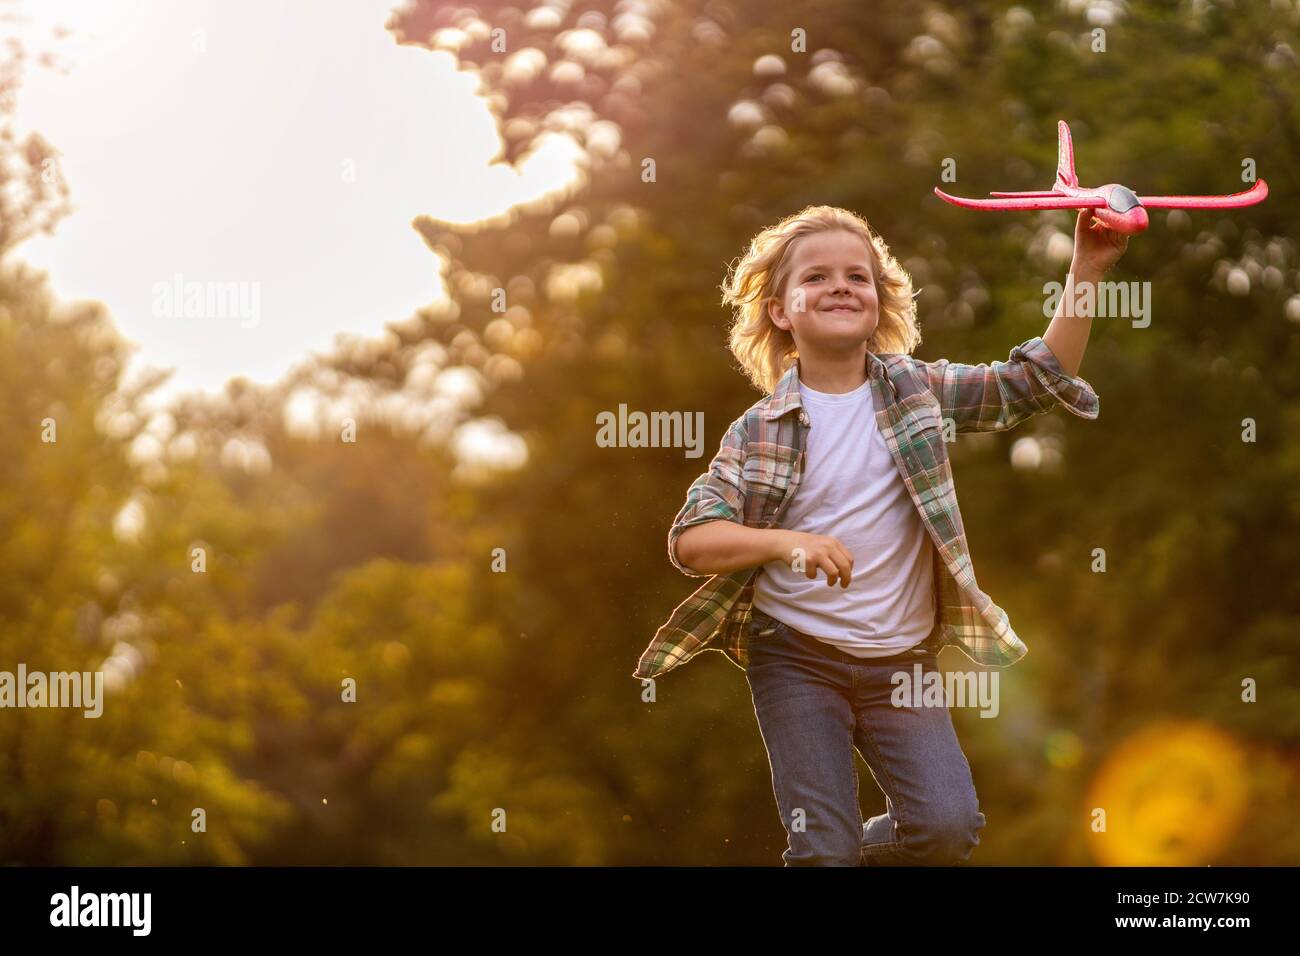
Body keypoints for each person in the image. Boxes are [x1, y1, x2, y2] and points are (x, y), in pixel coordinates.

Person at [632, 204, 1130, 865]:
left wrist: (1086, 267)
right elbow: (693, 539)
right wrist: (787, 543)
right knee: (823, 844)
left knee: (947, 828)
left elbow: (1033, 383)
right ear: (780, 310)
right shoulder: (759, 431)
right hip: (796, 658)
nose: (841, 285)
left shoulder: (915, 391)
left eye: (857, 276)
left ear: (878, 300)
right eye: (817, 277)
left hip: (902, 663)